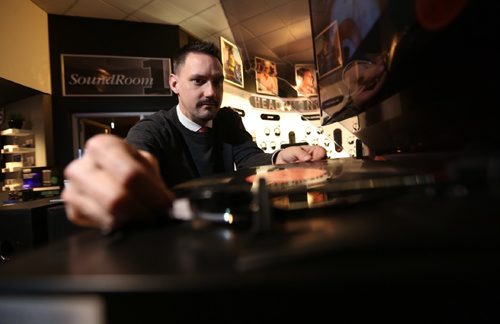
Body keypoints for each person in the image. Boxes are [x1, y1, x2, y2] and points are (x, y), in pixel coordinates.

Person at [62, 40, 326, 232]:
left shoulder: (228, 119)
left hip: (226, 230)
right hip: (174, 237)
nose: (211, 92)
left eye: (217, 81)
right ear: (175, 84)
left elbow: (248, 156)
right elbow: (139, 160)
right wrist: (121, 175)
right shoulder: (152, 129)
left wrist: (279, 156)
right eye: (199, 81)